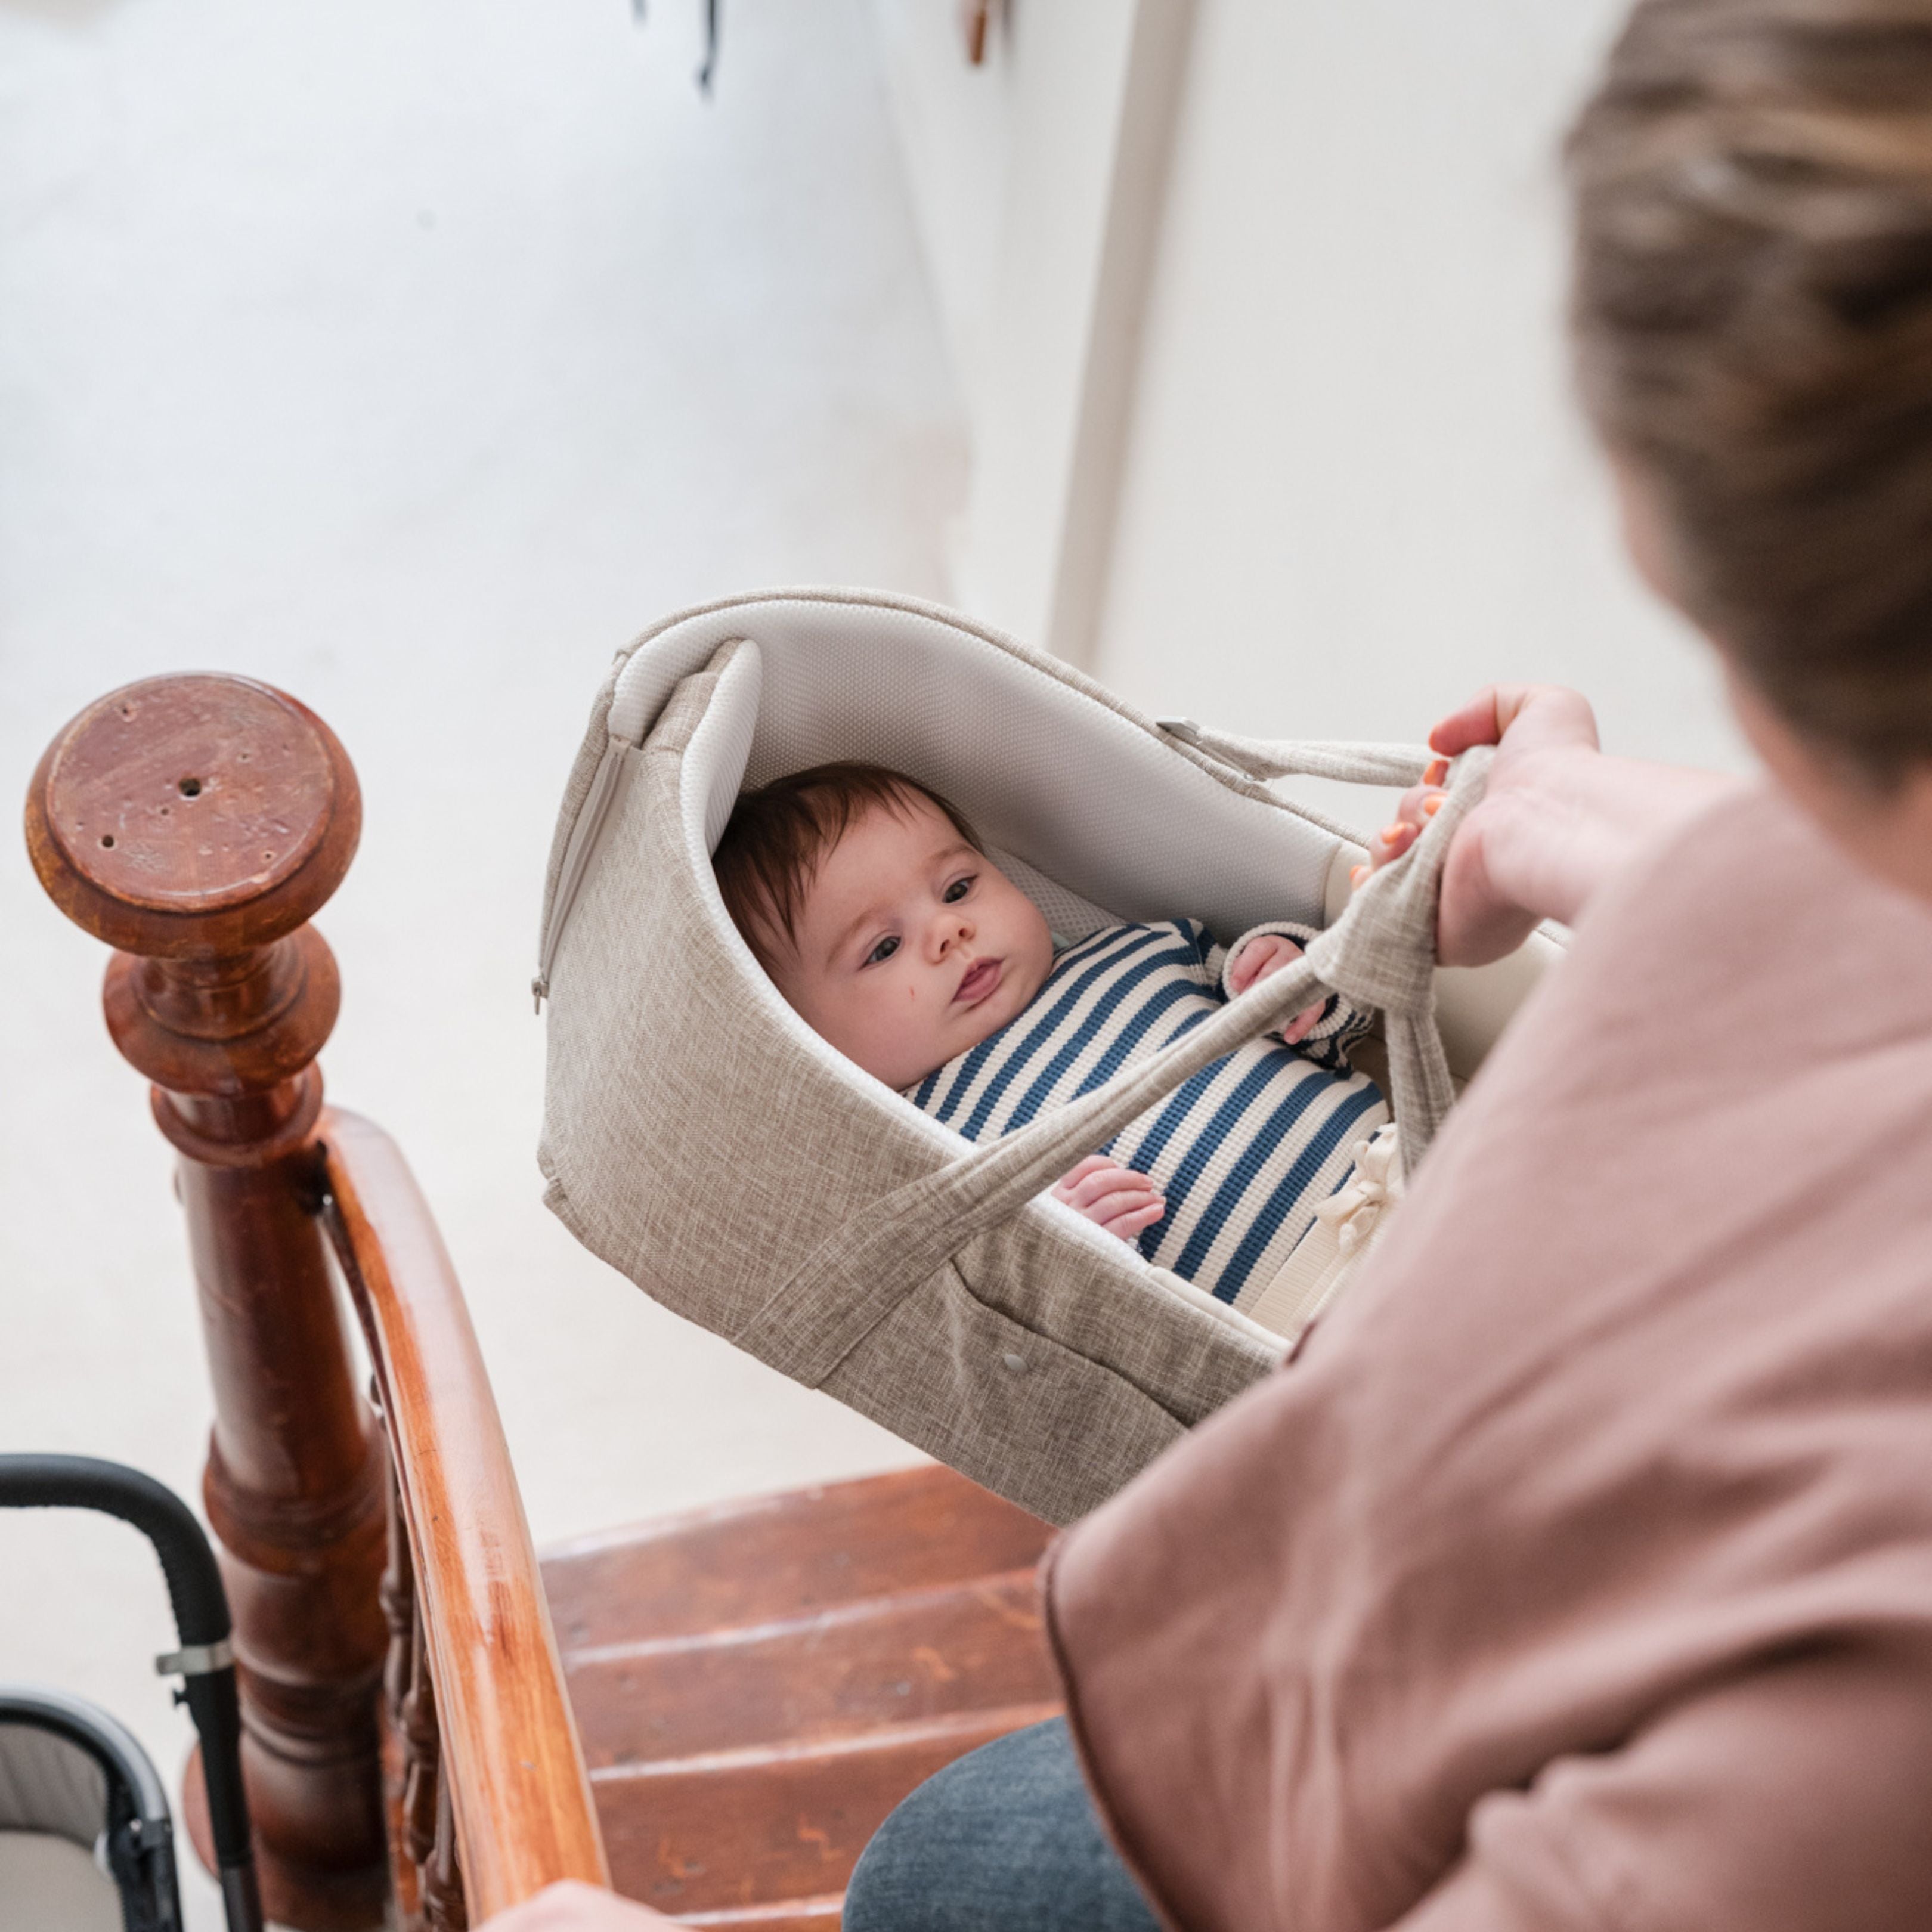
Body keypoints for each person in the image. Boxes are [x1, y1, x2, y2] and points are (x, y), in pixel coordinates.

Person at [485, 0, 1932, 1925]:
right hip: (1345, 1302)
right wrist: (1552, 826)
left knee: (932, 1880)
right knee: (946, 1862)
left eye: (1760, 688)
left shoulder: (1811, 1758)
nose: (951, 936)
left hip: (1450, 1397)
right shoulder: (960, 1118)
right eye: (883, 946)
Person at [709, 760, 1385, 1318]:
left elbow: (1343, 1024)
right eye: (884, 948)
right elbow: (1009, 1325)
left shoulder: (1148, 949)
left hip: (1412, 1168)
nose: (948, 931)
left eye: (958, 887)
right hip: (1287, 1330)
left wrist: (1296, 979)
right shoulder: (928, 1154)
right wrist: (1056, 1247)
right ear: (813, 1044)